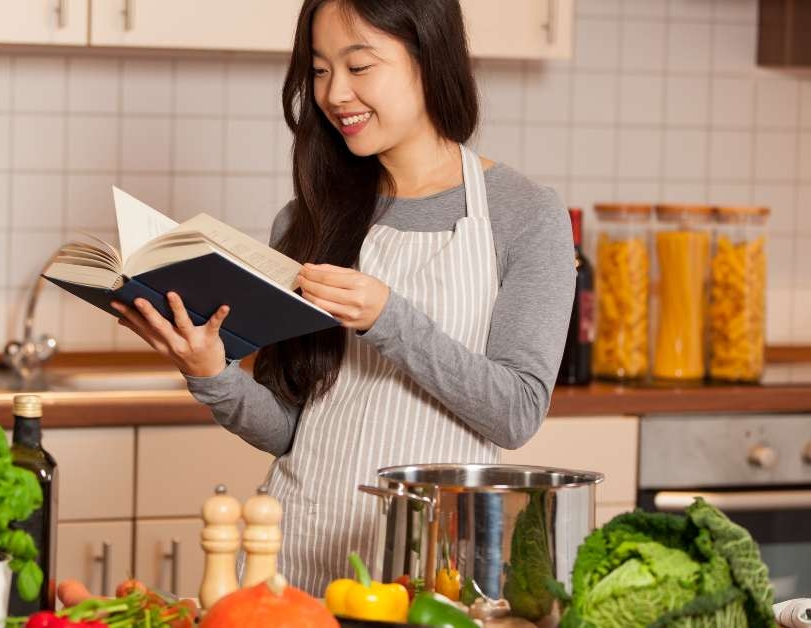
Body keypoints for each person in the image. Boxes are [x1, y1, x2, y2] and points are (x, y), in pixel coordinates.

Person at [110, 0, 574, 593]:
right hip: (295, 556)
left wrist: (389, 318)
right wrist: (210, 373)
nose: (334, 95)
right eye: (321, 70)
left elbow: (515, 413)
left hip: (431, 572)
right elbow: (290, 430)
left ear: (431, 59)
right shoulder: (308, 220)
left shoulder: (526, 214)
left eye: (359, 67)